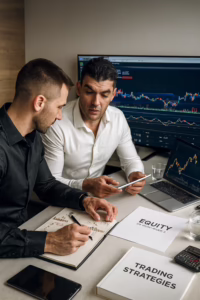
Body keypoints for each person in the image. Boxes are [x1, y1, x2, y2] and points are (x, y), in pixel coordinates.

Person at [0, 58, 118, 258]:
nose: (61, 116)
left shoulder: (31, 135)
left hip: (19, 238)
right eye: (59, 107)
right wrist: (50, 241)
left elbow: (46, 185)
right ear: (39, 103)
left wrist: (84, 200)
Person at [42, 57, 146, 199]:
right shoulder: (57, 123)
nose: (96, 103)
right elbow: (50, 182)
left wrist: (134, 174)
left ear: (113, 95)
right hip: (62, 197)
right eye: (89, 92)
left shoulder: (118, 118)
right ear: (79, 89)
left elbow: (131, 160)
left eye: (104, 95)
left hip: (98, 197)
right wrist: (85, 185)